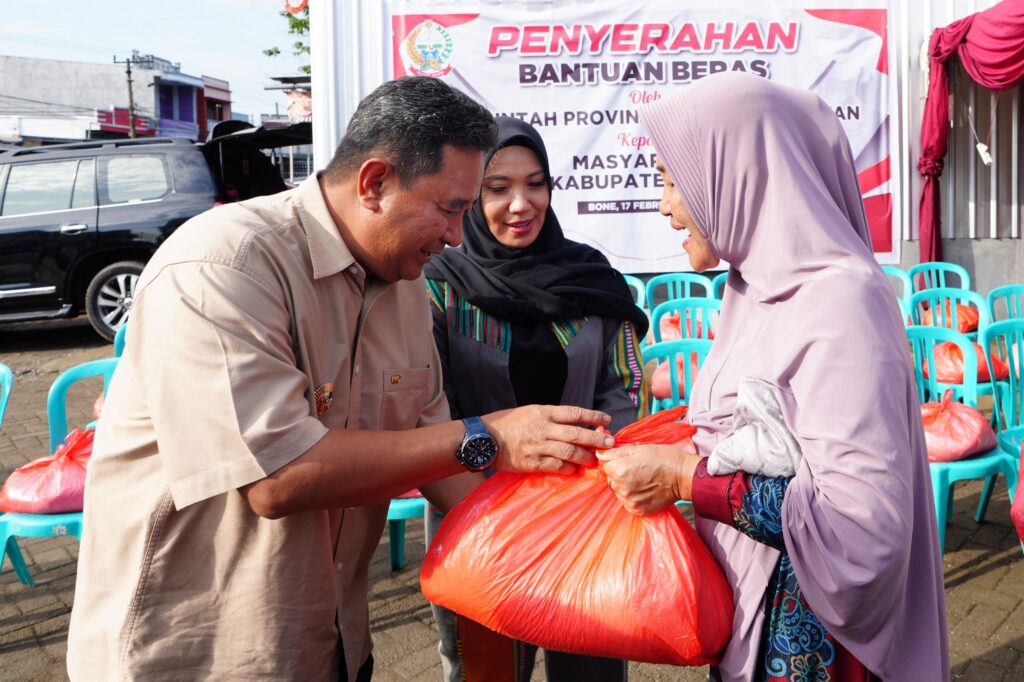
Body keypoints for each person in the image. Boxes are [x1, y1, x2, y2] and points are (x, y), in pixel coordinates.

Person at [65, 77, 615, 682]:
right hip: (204, 652)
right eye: (450, 208)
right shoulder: (222, 265)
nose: (459, 235)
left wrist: (561, 547)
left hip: (332, 643)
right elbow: (278, 477)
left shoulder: (406, 286)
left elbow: (438, 461)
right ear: (375, 183)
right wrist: (488, 434)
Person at [599, 73, 949, 681]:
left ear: (739, 176)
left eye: (673, 180)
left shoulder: (842, 304)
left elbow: (860, 529)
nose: (663, 204)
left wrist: (685, 476)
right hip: (750, 616)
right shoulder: (750, 288)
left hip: (815, 645)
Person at [422, 116, 650, 682]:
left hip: (584, 515)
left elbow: (624, 383)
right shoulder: (438, 284)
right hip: (475, 510)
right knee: (488, 669)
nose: (521, 204)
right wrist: (490, 468)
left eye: (536, 184)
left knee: (591, 665)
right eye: (498, 188)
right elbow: (430, 403)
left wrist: (591, 468)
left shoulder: (592, 279)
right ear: (473, 193)